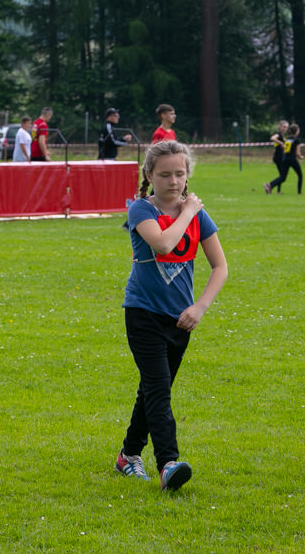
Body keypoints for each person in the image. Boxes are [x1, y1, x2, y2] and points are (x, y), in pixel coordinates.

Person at [115, 140, 228, 490]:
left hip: (180, 319)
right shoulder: (140, 210)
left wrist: (200, 306)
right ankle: (168, 464)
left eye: (180, 173)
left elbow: (220, 267)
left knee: (152, 390)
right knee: (159, 390)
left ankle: (127, 456)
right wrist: (188, 212)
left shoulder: (198, 215)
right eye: (165, 174)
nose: (174, 181)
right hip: (143, 314)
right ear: (149, 175)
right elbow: (163, 244)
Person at [263, 119, 289, 193]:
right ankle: (269, 185)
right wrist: (281, 143)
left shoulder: (282, 136)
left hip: (280, 157)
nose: (285, 129)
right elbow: (272, 138)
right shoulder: (279, 134)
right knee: (283, 177)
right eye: (284, 127)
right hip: (279, 157)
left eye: (286, 127)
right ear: (280, 127)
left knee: (281, 176)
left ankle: (278, 191)